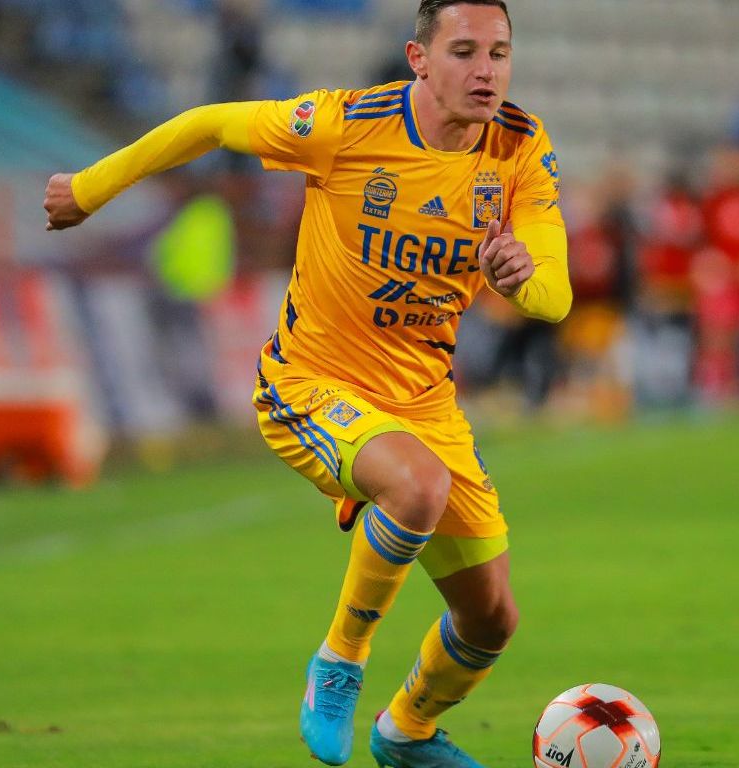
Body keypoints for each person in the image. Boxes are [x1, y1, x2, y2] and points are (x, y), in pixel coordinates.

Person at [42, 2, 570, 767]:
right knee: (416, 485)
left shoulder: (520, 144)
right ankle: (340, 660)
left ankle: (407, 732)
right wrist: (91, 187)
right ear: (419, 59)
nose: (486, 71)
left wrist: (521, 280)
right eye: (464, 51)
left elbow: (555, 294)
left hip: (424, 403)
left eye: (499, 52)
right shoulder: (346, 125)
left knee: (491, 619)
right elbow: (209, 124)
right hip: (312, 383)